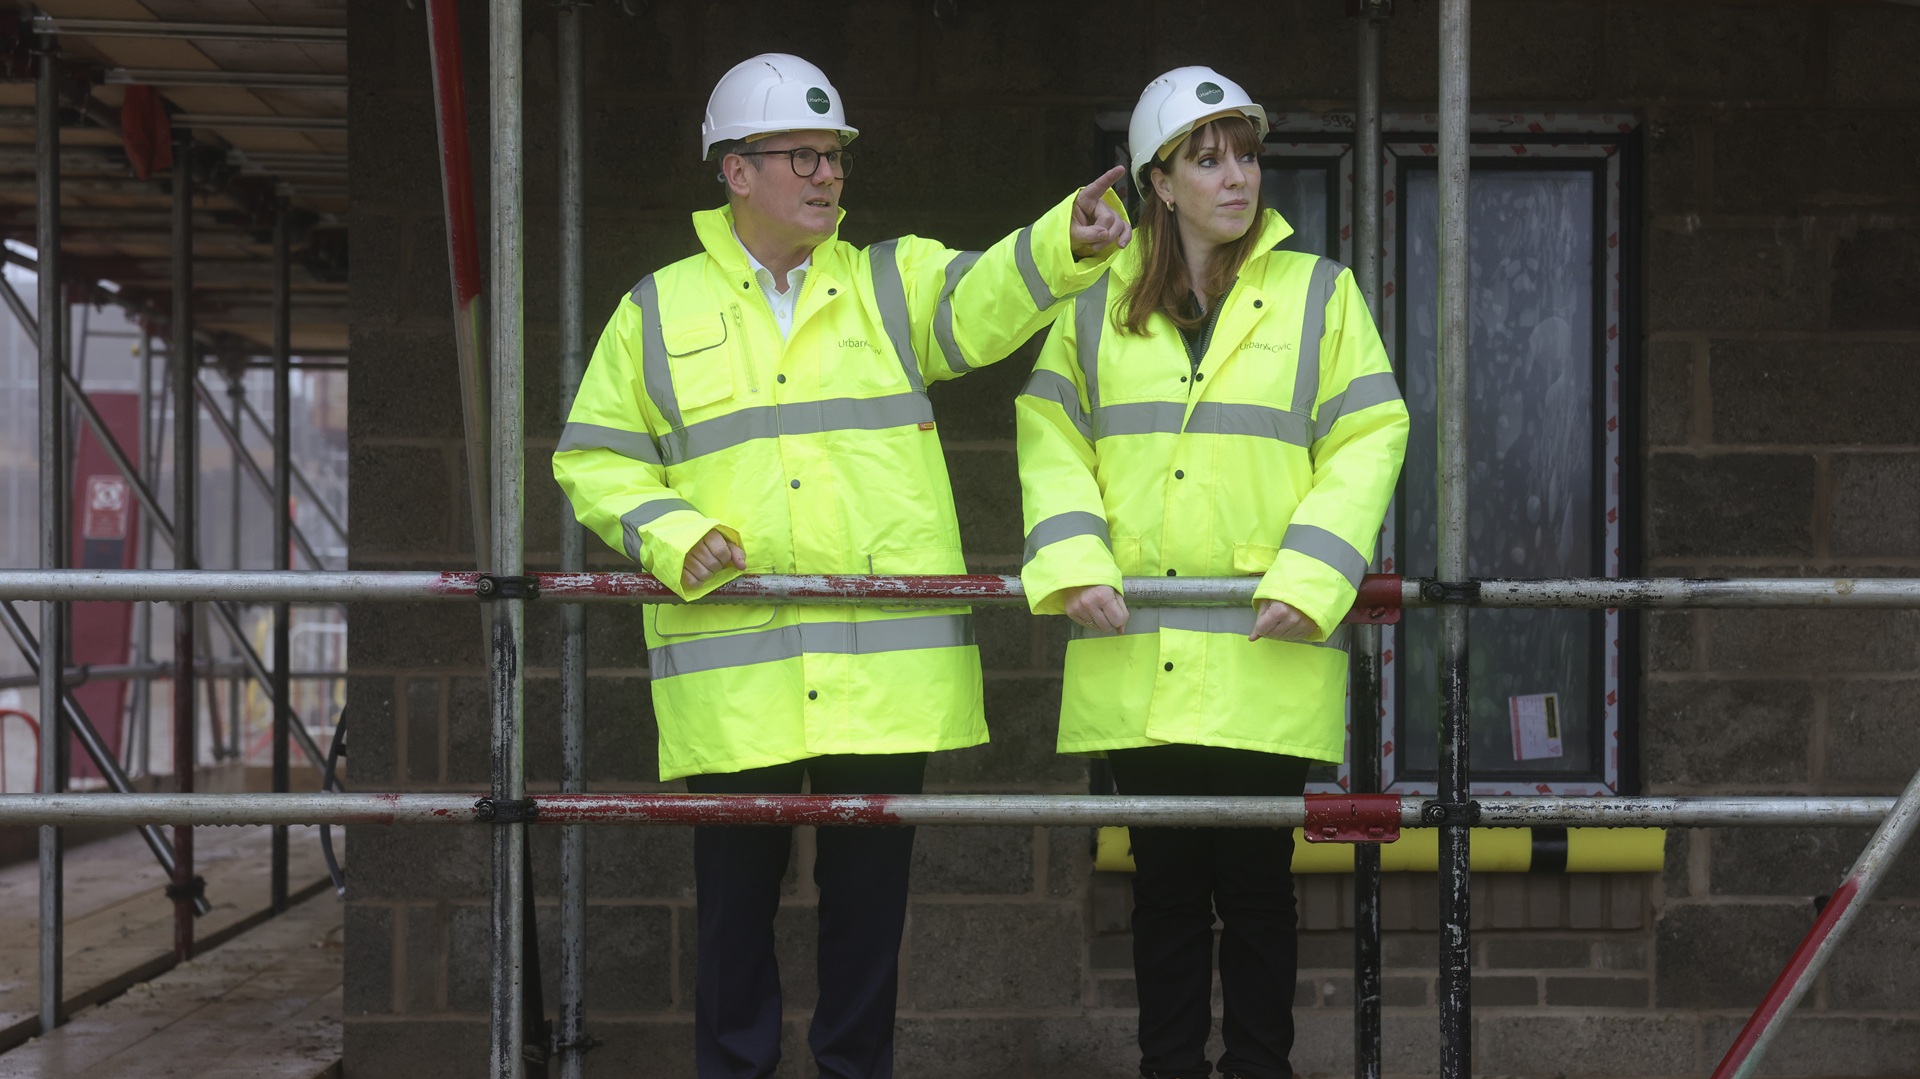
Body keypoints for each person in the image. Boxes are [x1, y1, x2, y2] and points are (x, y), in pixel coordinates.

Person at [552, 53, 1130, 1079]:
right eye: (803, 156)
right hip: (740, 677)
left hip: (881, 683)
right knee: (734, 919)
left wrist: (1062, 242)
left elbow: (983, 295)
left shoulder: (887, 284)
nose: (828, 176)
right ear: (735, 170)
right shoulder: (657, 310)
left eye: (836, 158)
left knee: (868, 919)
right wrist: (675, 534)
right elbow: (593, 457)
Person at [1016, 66, 1408, 1079]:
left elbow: (1369, 434)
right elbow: (1051, 432)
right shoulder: (1094, 304)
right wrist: (1069, 561)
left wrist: (1313, 573)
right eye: (1209, 157)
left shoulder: (1321, 292)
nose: (1237, 176)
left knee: (1259, 885)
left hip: (1261, 636)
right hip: (1138, 642)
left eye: (1245, 153)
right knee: (1165, 888)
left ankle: (1260, 1070)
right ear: (1160, 181)